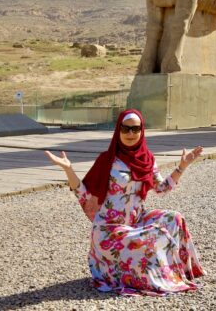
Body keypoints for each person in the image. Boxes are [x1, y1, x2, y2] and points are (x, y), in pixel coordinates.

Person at [44, 108, 205, 296]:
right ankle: (156, 277)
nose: (130, 134)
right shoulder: (107, 160)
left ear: (141, 131)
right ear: (118, 130)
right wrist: (69, 170)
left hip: (136, 222)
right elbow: (84, 195)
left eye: (135, 129)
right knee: (154, 236)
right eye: (125, 128)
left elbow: (161, 189)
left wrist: (182, 166)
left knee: (174, 219)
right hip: (109, 229)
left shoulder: (147, 159)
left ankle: (182, 271)